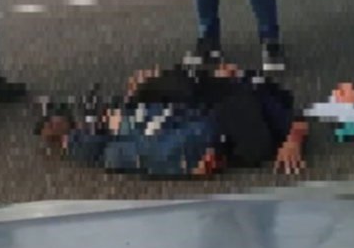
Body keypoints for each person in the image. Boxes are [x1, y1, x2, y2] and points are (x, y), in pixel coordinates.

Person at [35, 53, 309, 178]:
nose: (228, 68)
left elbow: (297, 120)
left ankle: (76, 136)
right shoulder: (216, 85)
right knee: (127, 136)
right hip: (192, 123)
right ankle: (83, 130)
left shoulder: (254, 90)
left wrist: (293, 141)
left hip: (202, 135)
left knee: (123, 149)